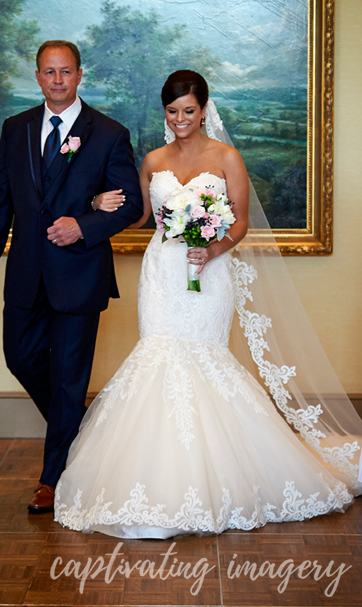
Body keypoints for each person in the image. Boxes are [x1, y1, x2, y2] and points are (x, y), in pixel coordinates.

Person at [53, 69, 362, 539]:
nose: (181, 119)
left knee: (204, 359)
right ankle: (155, 482)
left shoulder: (226, 157)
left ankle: (221, 480)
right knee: (159, 353)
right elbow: (140, 216)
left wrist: (213, 248)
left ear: (204, 109)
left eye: (189, 111)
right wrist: (97, 203)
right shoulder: (153, 158)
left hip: (208, 272)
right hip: (162, 274)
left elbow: (237, 223)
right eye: (173, 112)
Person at [0, 40, 144, 513]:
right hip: (26, 273)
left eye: (65, 71)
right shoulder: (17, 128)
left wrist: (83, 226)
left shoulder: (108, 133)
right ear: (38, 76)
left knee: (69, 378)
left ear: (79, 75)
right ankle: (86, 431)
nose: (57, 80)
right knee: (20, 356)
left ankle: (53, 480)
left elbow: (131, 203)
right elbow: (1, 199)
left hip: (79, 276)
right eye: (49, 72)